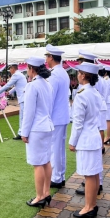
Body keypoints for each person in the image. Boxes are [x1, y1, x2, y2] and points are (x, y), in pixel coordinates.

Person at [69, 62, 103, 218]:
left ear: (83, 75)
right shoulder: (94, 92)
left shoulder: (82, 94)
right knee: (94, 174)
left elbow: (78, 123)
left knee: (89, 176)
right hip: (94, 137)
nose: (77, 75)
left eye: (79, 72)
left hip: (86, 139)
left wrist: (72, 141)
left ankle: (89, 207)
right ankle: (92, 204)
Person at [21, 56, 54, 208]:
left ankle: (40, 196)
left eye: (28, 68)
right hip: (47, 126)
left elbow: (29, 112)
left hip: (36, 128)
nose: (27, 71)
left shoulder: (32, 86)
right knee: (46, 160)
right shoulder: (47, 84)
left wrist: (24, 132)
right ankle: (46, 192)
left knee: (37, 164)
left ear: (32, 69)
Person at [45, 44, 70, 189]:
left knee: (55, 148)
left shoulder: (54, 74)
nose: (46, 60)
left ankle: (56, 177)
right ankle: (60, 175)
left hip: (55, 117)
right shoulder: (63, 72)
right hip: (62, 116)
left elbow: (50, 97)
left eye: (47, 57)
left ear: (51, 58)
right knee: (59, 148)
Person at [0, 63, 27, 140]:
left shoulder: (16, 75)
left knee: (22, 116)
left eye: (10, 69)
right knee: (23, 116)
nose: (10, 71)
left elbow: (7, 85)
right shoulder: (20, 75)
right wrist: (9, 92)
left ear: (13, 68)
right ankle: (23, 133)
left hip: (23, 98)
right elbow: (17, 87)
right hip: (24, 97)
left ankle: (21, 133)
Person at [103, 68, 110, 146]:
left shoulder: (106, 80)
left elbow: (105, 93)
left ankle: (107, 136)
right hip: (108, 101)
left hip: (107, 102)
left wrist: (103, 102)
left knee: (108, 120)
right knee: (107, 119)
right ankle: (107, 136)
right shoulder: (107, 79)